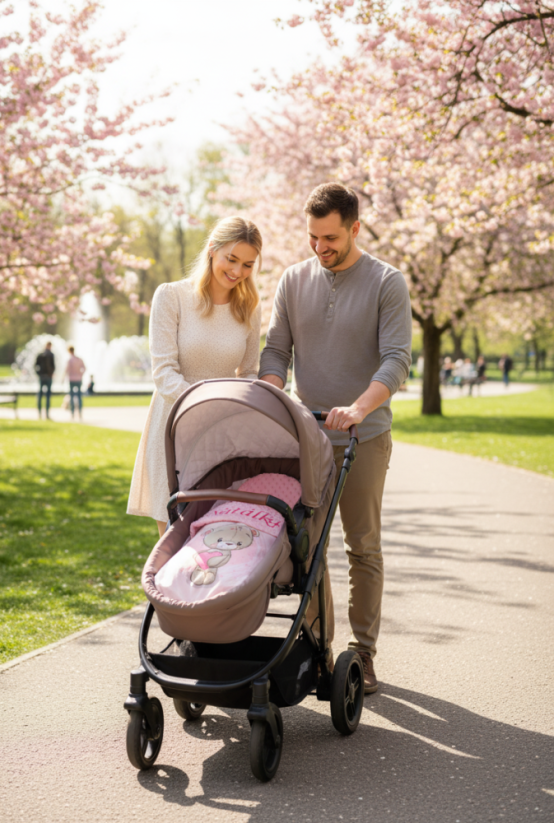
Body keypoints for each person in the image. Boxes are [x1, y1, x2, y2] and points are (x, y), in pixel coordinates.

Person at [259, 183, 412, 693]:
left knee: (362, 546)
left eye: (330, 238)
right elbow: (276, 350)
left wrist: (360, 407)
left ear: (354, 229)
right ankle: (318, 648)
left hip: (364, 435)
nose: (320, 248)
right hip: (310, 435)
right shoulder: (293, 280)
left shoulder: (387, 282)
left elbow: (396, 359)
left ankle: (363, 653)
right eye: (312, 238)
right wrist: (272, 391)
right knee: (307, 546)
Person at [127, 216, 263, 539]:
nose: (237, 271)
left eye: (247, 264)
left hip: (222, 432)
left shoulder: (249, 308)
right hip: (173, 424)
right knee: (173, 540)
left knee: (216, 538)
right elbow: (163, 373)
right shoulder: (171, 296)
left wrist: (229, 413)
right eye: (231, 259)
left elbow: (248, 373)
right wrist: (205, 406)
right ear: (213, 250)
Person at [64, 346, 86, 420]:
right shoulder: (79, 359)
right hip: (78, 379)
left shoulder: (70, 360)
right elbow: (84, 368)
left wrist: (63, 378)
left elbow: (67, 370)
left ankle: (72, 414)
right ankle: (80, 413)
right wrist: (80, 374)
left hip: (72, 379)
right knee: (79, 397)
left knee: (72, 397)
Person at [35, 341, 55, 419]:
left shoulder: (48, 355)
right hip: (45, 376)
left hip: (46, 376)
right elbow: (36, 365)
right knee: (44, 395)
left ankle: (45, 413)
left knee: (45, 395)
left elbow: (53, 366)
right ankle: (41, 413)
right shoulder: (44, 355)